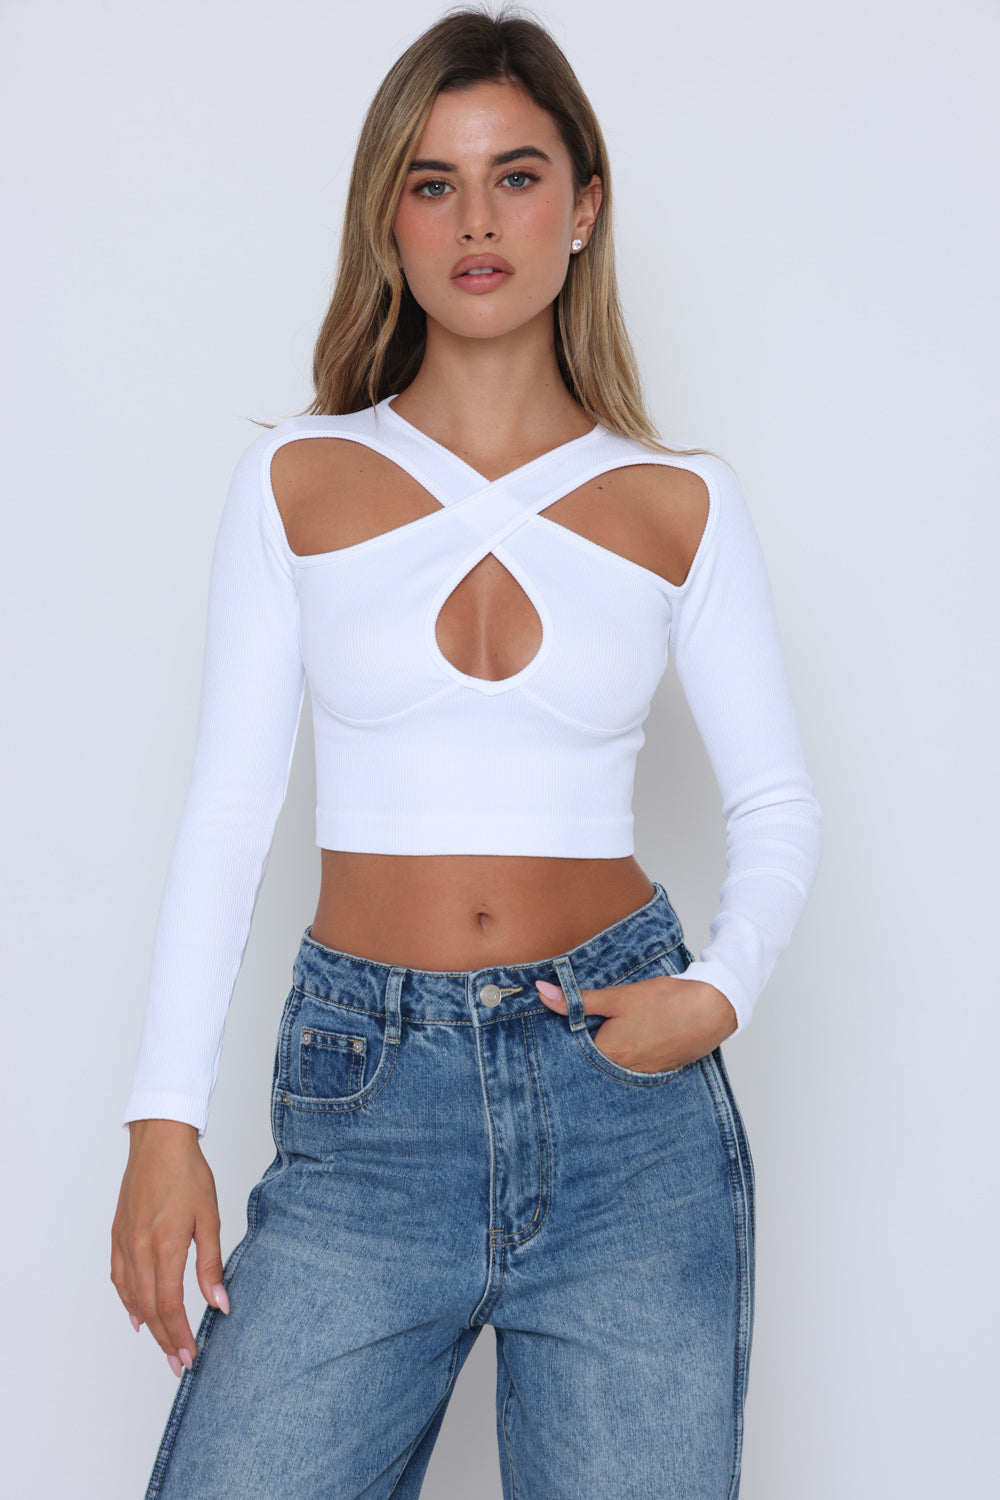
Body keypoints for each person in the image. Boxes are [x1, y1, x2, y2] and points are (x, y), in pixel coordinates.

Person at [111, 8, 822, 1496]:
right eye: (434, 183)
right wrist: (161, 1120)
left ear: (585, 205)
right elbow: (231, 812)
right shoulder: (297, 478)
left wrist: (718, 992)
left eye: (518, 176)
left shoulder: (680, 502)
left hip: (624, 1110)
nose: (478, 220)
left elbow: (776, 803)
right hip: (367, 1098)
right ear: (390, 217)